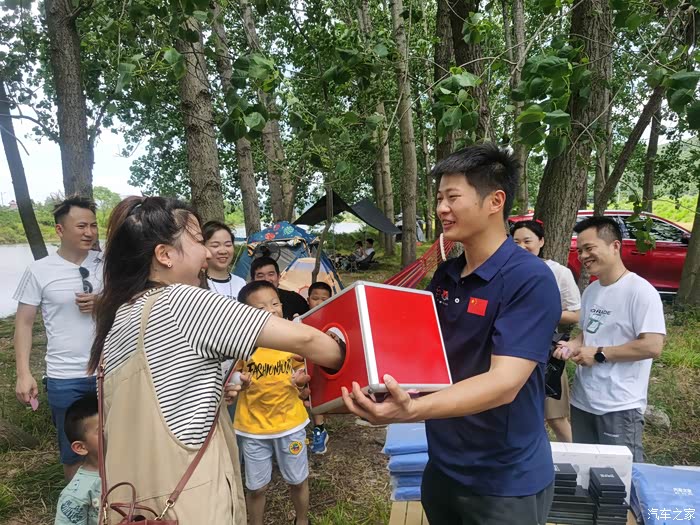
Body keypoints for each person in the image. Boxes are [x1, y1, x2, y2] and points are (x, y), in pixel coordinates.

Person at [338, 144, 561, 525]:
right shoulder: (446, 275)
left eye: (452, 197)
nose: (441, 208)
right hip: (443, 468)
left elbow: (504, 384)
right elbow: (415, 350)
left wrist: (412, 410)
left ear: (495, 201)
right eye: (439, 198)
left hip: (504, 484)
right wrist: (335, 360)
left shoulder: (529, 279)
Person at [90, 196, 342, 524]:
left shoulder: (119, 315)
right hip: (187, 503)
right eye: (198, 241)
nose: (208, 253)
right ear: (164, 255)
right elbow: (306, 340)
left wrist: (209, 393)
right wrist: (341, 357)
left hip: (133, 501)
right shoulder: (182, 301)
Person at [553, 216, 665, 462]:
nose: (583, 256)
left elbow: (652, 345)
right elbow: (589, 332)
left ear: (615, 246)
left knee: (621, 476)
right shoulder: (592, 290)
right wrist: (573, 345)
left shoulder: (640, 291)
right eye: (580, 250)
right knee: (586, 470)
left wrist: (599, 354)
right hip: (583, 402)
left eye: (589, 248)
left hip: (619, 406)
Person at [13, 196, 102, 481]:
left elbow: (133, 305)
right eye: (81, 226)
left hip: (108, 371)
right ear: (60, 230)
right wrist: (23, 373)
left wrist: (102, 303)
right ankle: (76, 503)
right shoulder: (40, 270)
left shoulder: (107, 265)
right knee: (73, 449)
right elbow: (24, 323)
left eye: (93, 226)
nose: (89, 232)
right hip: (64, 376)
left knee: (114, 443)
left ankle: (113, 503)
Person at [234, 281, 312, 525]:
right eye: (261, 308)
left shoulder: (292, 341)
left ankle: (302, 520)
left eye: (275, 303)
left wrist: (301, 380)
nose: (271, 310)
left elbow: (305, 372)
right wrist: (239, 382)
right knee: (256, 487)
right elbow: (232, 376)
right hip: (253, 429)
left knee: (297, 481)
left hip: (291, 425)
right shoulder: (242, 346)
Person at [511, 219, 581, 442]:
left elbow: (576, 314)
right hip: (511, 351)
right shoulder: (507, 271)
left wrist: (540, 312)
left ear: (541, 241)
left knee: (555, 416)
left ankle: (575, 456)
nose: (521, 246)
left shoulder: (559, 272)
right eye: (515, 242)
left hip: (546, 350)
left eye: (527, 241)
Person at [54, 394, 101, 525]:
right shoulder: (77, 494)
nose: (111, 432)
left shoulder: (133, 467)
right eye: (102, 430)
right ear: (80, 447)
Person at [306, 281, 333, 454]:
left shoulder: (335, 320)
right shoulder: (301, 320)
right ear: (308, 299)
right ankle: (318, 428)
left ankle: (319, 428)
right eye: (315, 298)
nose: (319, 302)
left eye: (324, 299)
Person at [203, 220, 246, 301]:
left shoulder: (241, 283)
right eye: (215, 245)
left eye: (228, 245)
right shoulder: (196, 283)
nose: (223, 251)